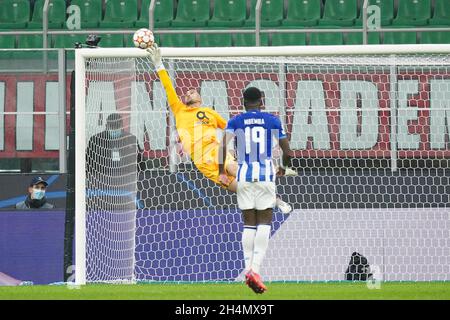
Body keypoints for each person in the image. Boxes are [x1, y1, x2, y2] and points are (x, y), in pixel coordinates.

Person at [146, 44, 293, 213]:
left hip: (215, 150)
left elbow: (235, 130)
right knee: (245, 189)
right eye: (186, 93)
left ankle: (267, 174)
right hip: (201, 161)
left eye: (192, 91)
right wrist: (159, 65)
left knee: (234, 170)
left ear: (200, 98)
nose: (188, 93)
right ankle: (276, 195)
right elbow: (168, 88)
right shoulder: (179, 109)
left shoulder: (209, 113)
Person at [218, 87, 293, 294]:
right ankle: (255, 270)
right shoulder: (272, 121)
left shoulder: (235, 121)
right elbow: (287, 151)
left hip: (243, 174)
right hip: (265, 175)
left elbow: (222, 148)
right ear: (262, 101)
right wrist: (283, 168)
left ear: (243, 102)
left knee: (248, 223)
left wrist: (221, 172)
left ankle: (248, 270)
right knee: (265, 222)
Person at [86, 113, 143, 208]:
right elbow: (89, 162)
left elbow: (140, 162)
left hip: (126, 179)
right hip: (101, 180)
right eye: (112, 127)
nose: (114, 130)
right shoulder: (96, 140)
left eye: (116, 127)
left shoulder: (131, 139)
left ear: (121, 126)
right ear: (106, 126)